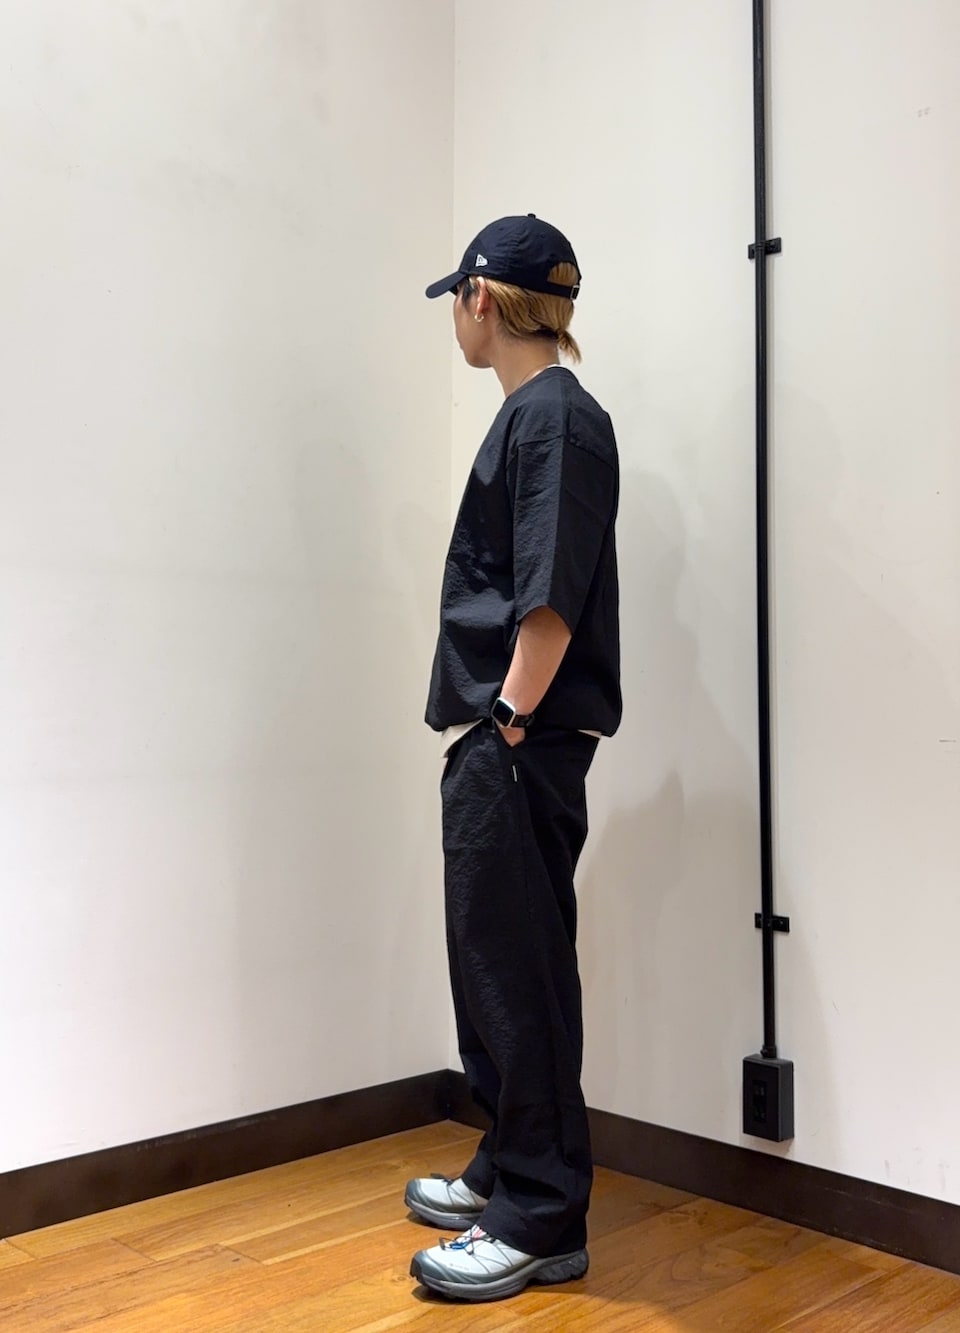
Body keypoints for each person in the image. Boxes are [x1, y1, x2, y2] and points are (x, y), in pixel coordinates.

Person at [405, 214, 622, 1303]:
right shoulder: (536, 416)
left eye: (456, 298)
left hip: (518, 741)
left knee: (518, 973)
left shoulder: (557, 422)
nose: (456, 315)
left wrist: (507, 718)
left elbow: (549, 596)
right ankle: (507, 1163)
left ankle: (540, 1214)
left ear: (481, 298)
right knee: (488, 965)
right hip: (502, 740)